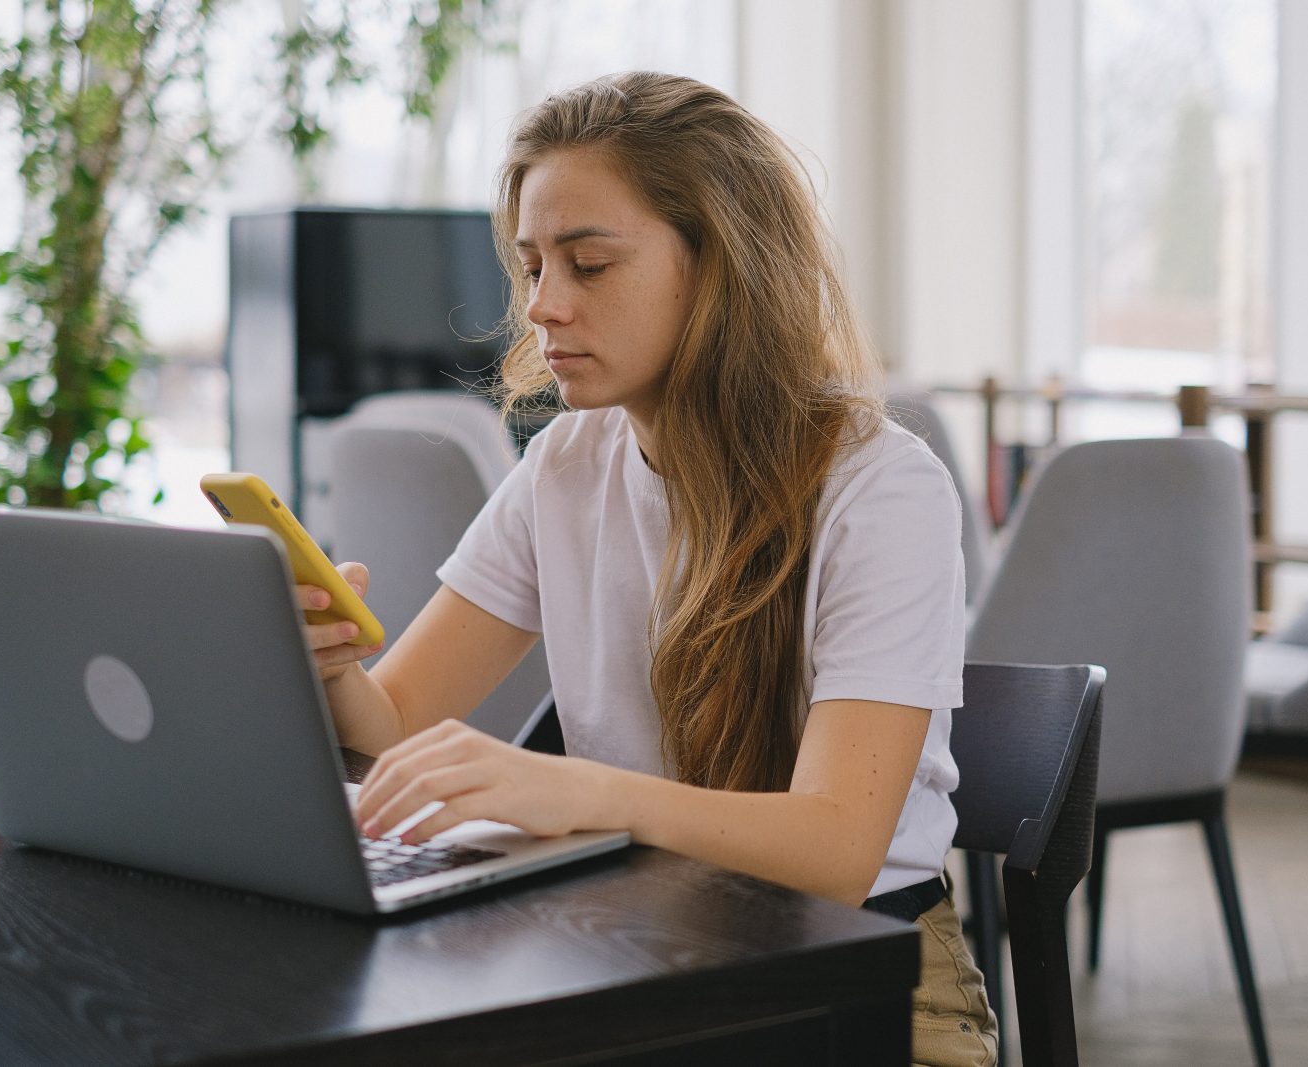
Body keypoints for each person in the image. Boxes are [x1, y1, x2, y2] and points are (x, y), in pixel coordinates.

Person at [303, 71, 997, 1065]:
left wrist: (578, 791)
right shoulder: (566, 467)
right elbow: (392, 720)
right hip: (641, 946)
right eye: (533, 265)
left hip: (870, 977)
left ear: (721, 267)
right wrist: (329, 658)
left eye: (588, 263)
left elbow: (838, 851)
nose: (543, 306)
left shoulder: (878, 486)